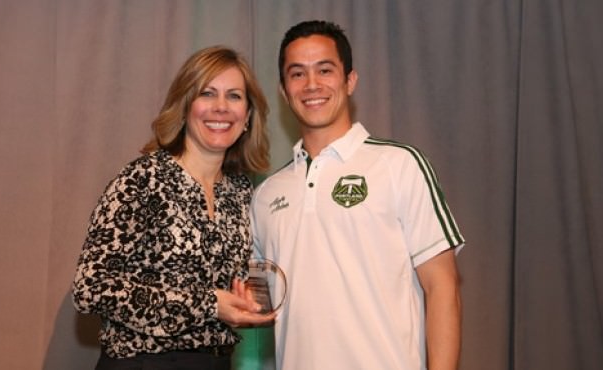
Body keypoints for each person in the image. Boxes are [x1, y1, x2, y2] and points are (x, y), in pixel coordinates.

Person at [251, 20, 465, 370]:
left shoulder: (400, 165)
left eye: (325, 70)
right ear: (283, 89)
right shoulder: (265, 195)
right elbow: (258, 304)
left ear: (350, 81)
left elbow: (443, 288)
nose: (312, 85)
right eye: (297, 74)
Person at [72, 46, 276, 370]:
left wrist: (245, 303)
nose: (221, 107)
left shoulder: (240, 192)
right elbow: (91, 288)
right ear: (185, 106)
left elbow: (233, 285)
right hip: (143, 363)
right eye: (207, 93)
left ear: (248, 116)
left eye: (234, 96)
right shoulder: (144, 179)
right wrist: (208, 304)